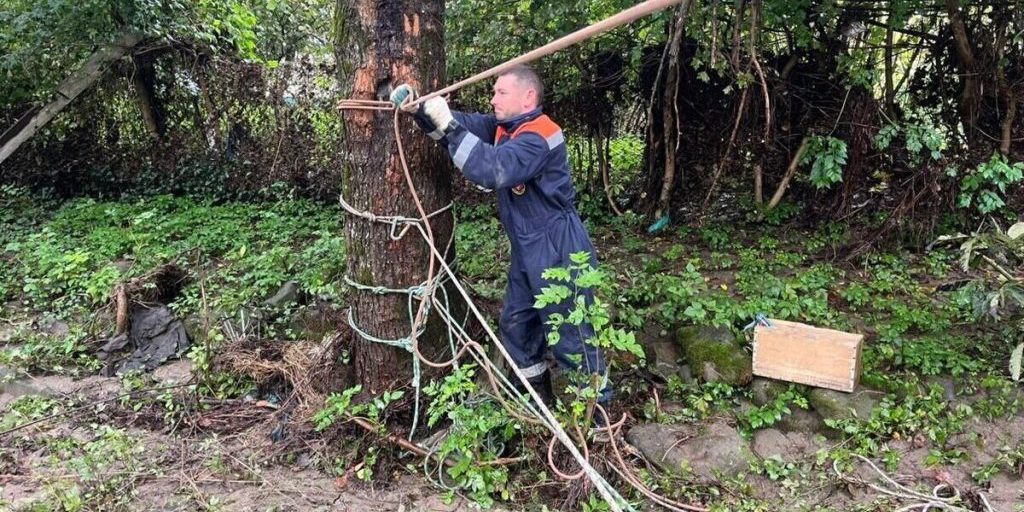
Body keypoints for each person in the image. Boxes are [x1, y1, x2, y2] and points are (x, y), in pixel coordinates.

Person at [390, 65, 610, 426]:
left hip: (557, 244)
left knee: (571, 333)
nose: (492, 99)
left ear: (528, 97)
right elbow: (461, 128)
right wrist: (423, 111)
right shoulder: (506, 128)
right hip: (528, 246)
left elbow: (491, 170)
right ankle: (537, 404)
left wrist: (448, 124)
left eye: (500, 93)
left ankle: (599, 425)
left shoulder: (540, 135)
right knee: (518, 324)